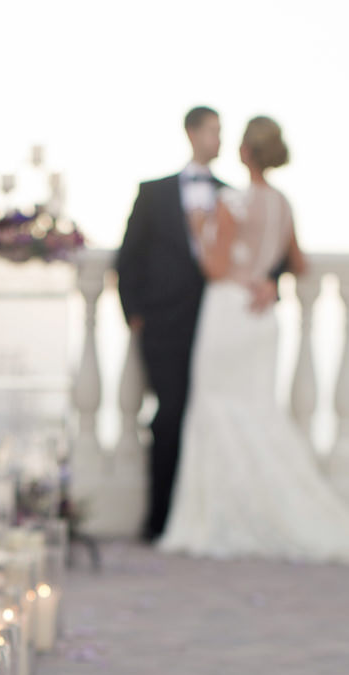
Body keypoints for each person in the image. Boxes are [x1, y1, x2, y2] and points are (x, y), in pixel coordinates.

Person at [157, 116, 349, 563]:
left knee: (219, 410)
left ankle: (220, 517)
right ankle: (271, 510)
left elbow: (215, 267)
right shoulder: (283, 203)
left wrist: (200, 226)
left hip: (230, 310)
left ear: (245, 152)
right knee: (257, 411)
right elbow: (297, 263)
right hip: (263, 316)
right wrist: (265, 279)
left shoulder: (230, 200)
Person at [117, 107, 273, 541]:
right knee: (167, 417)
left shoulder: (233, 195)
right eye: (212, 131)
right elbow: (128, 258)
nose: (218, 139)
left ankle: (208, 517)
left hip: (216, 327)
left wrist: (270, 283)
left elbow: (262, 252)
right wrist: (134, 314)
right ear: (191, 133)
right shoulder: (153, 193)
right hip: (163, 325)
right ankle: (160, 520)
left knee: (210, 418)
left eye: (222, 132)